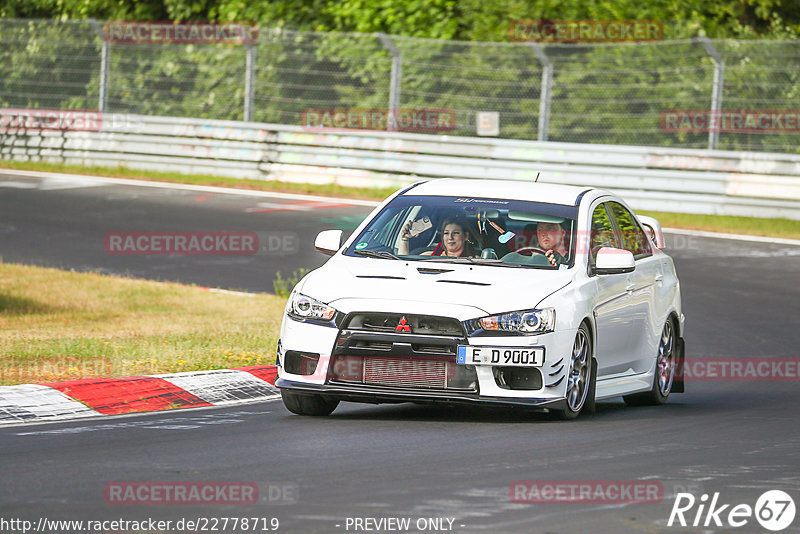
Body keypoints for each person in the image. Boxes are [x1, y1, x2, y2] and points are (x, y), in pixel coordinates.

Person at [398, 217, 476, 257]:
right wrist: (404, 239)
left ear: (466, 236)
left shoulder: (476, 260)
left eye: (455, 233)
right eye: (446, 233)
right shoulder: (430, 256)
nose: (450, 237)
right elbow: (403, 264)